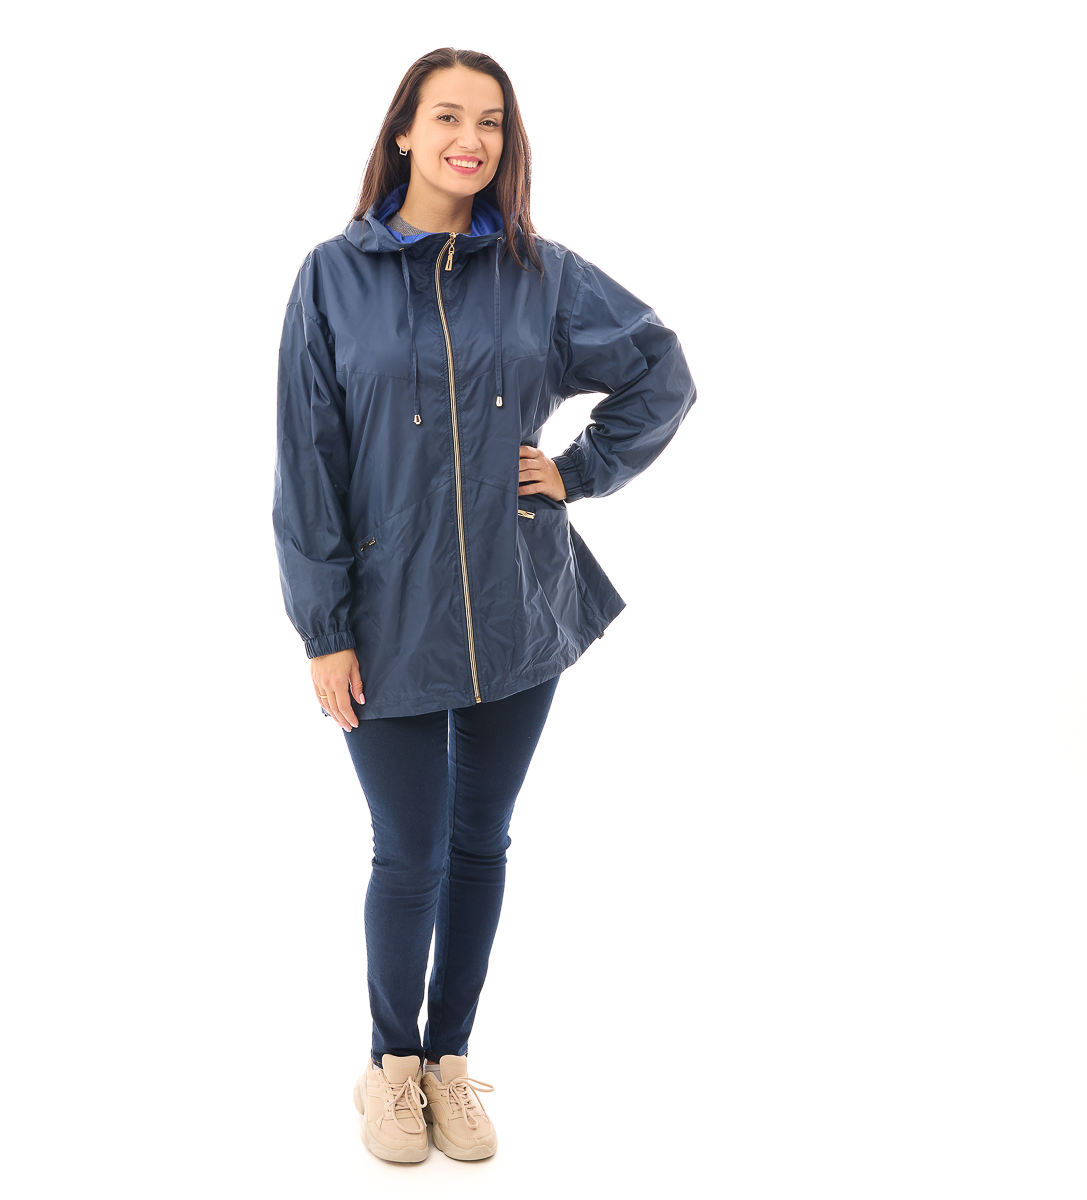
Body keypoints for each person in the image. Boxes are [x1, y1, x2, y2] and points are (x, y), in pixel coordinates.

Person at [272, 47, 697, 1163]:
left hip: (518, 604)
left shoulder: (540, 274)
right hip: (387, 616)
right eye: (449, 116)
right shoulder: (332, 277)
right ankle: (389, 1067)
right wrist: (325, 631)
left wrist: (577, 470)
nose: (472, 139)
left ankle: (449, 1063)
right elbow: (307, 464)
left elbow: (660, 369)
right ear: (404, 131)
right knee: (407, 849)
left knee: (478, 844)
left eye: (493, 122)